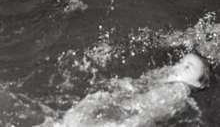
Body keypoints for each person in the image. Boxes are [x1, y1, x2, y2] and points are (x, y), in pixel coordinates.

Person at [58, 53, 210, 126]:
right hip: (123, 111)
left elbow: (145, 117)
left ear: (198, 84)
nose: (179, 66)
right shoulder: (170, 83)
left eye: (188, 67)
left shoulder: (178, 91)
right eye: (181, 62)